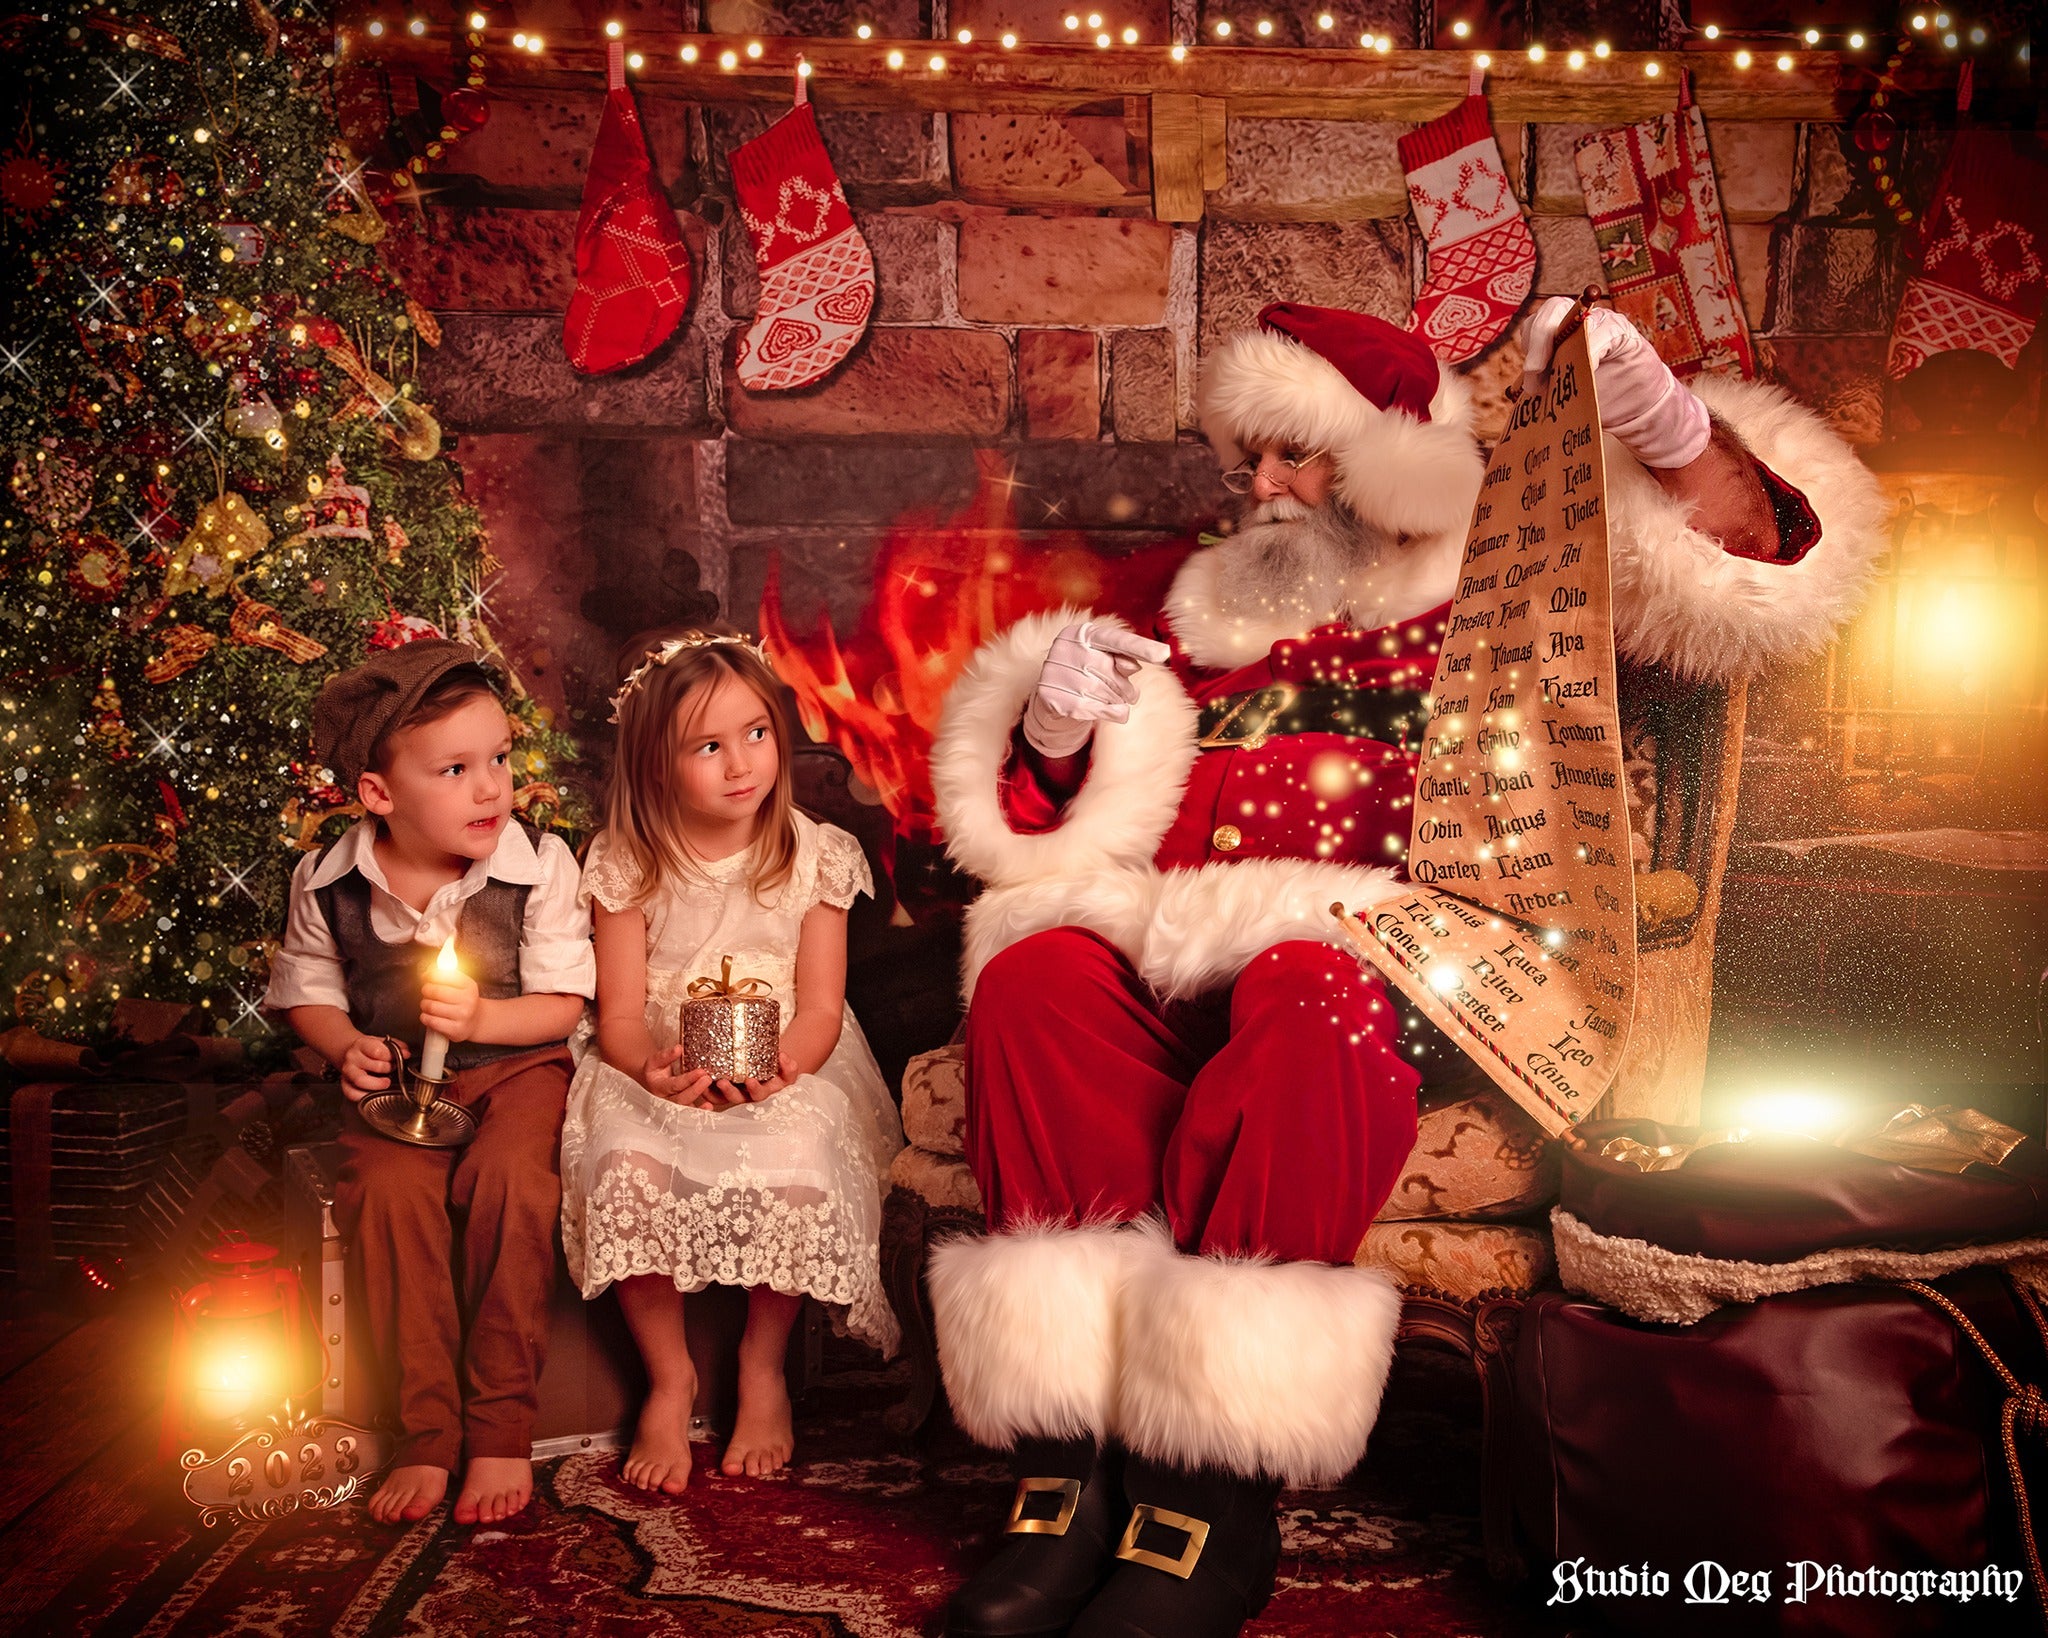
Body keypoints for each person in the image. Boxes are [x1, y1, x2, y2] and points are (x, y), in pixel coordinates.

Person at [924, 298, 1888, 1638]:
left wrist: (1666, 430)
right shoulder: (1203, 600)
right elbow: (1041, 827)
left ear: (1386, 450)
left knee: (1303, 986)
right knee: (1031, 983)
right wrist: (1050, 726)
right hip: (1181, 932)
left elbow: (1761, 574)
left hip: (1422, 947)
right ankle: (1068, 1463)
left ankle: (1209, 1485)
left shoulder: (1522, 574)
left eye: (1293, 455)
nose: (1258, 488)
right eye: (1248, 457)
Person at [560, 627, 903, 1493]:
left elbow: (822, 1007)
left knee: (797, 1158)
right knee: (624, 1163)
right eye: (708, 747)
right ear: (655, 766)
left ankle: (761, 1365)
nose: (742, 763)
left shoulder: (813, 853)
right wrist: (653, 1072)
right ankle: (670, 1379)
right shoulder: (628, 862)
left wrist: (780, 1069)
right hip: (659, 1060)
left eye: (755, 733)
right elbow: (624, 1014)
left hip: (786, 1055)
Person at [266, 638, 596, 1527]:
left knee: (511, 1183)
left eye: (500, 758)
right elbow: (307, 989)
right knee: (386, 1192)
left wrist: (487, 1021)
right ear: (379, 793)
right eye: (455, 769)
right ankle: (426, 1434)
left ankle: (498, 1427)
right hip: (404, 1087)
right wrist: (343, 1049)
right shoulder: (330, 880)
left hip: (520, 1068)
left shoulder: (539, 865)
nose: (492, 788)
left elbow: (565, 1004)